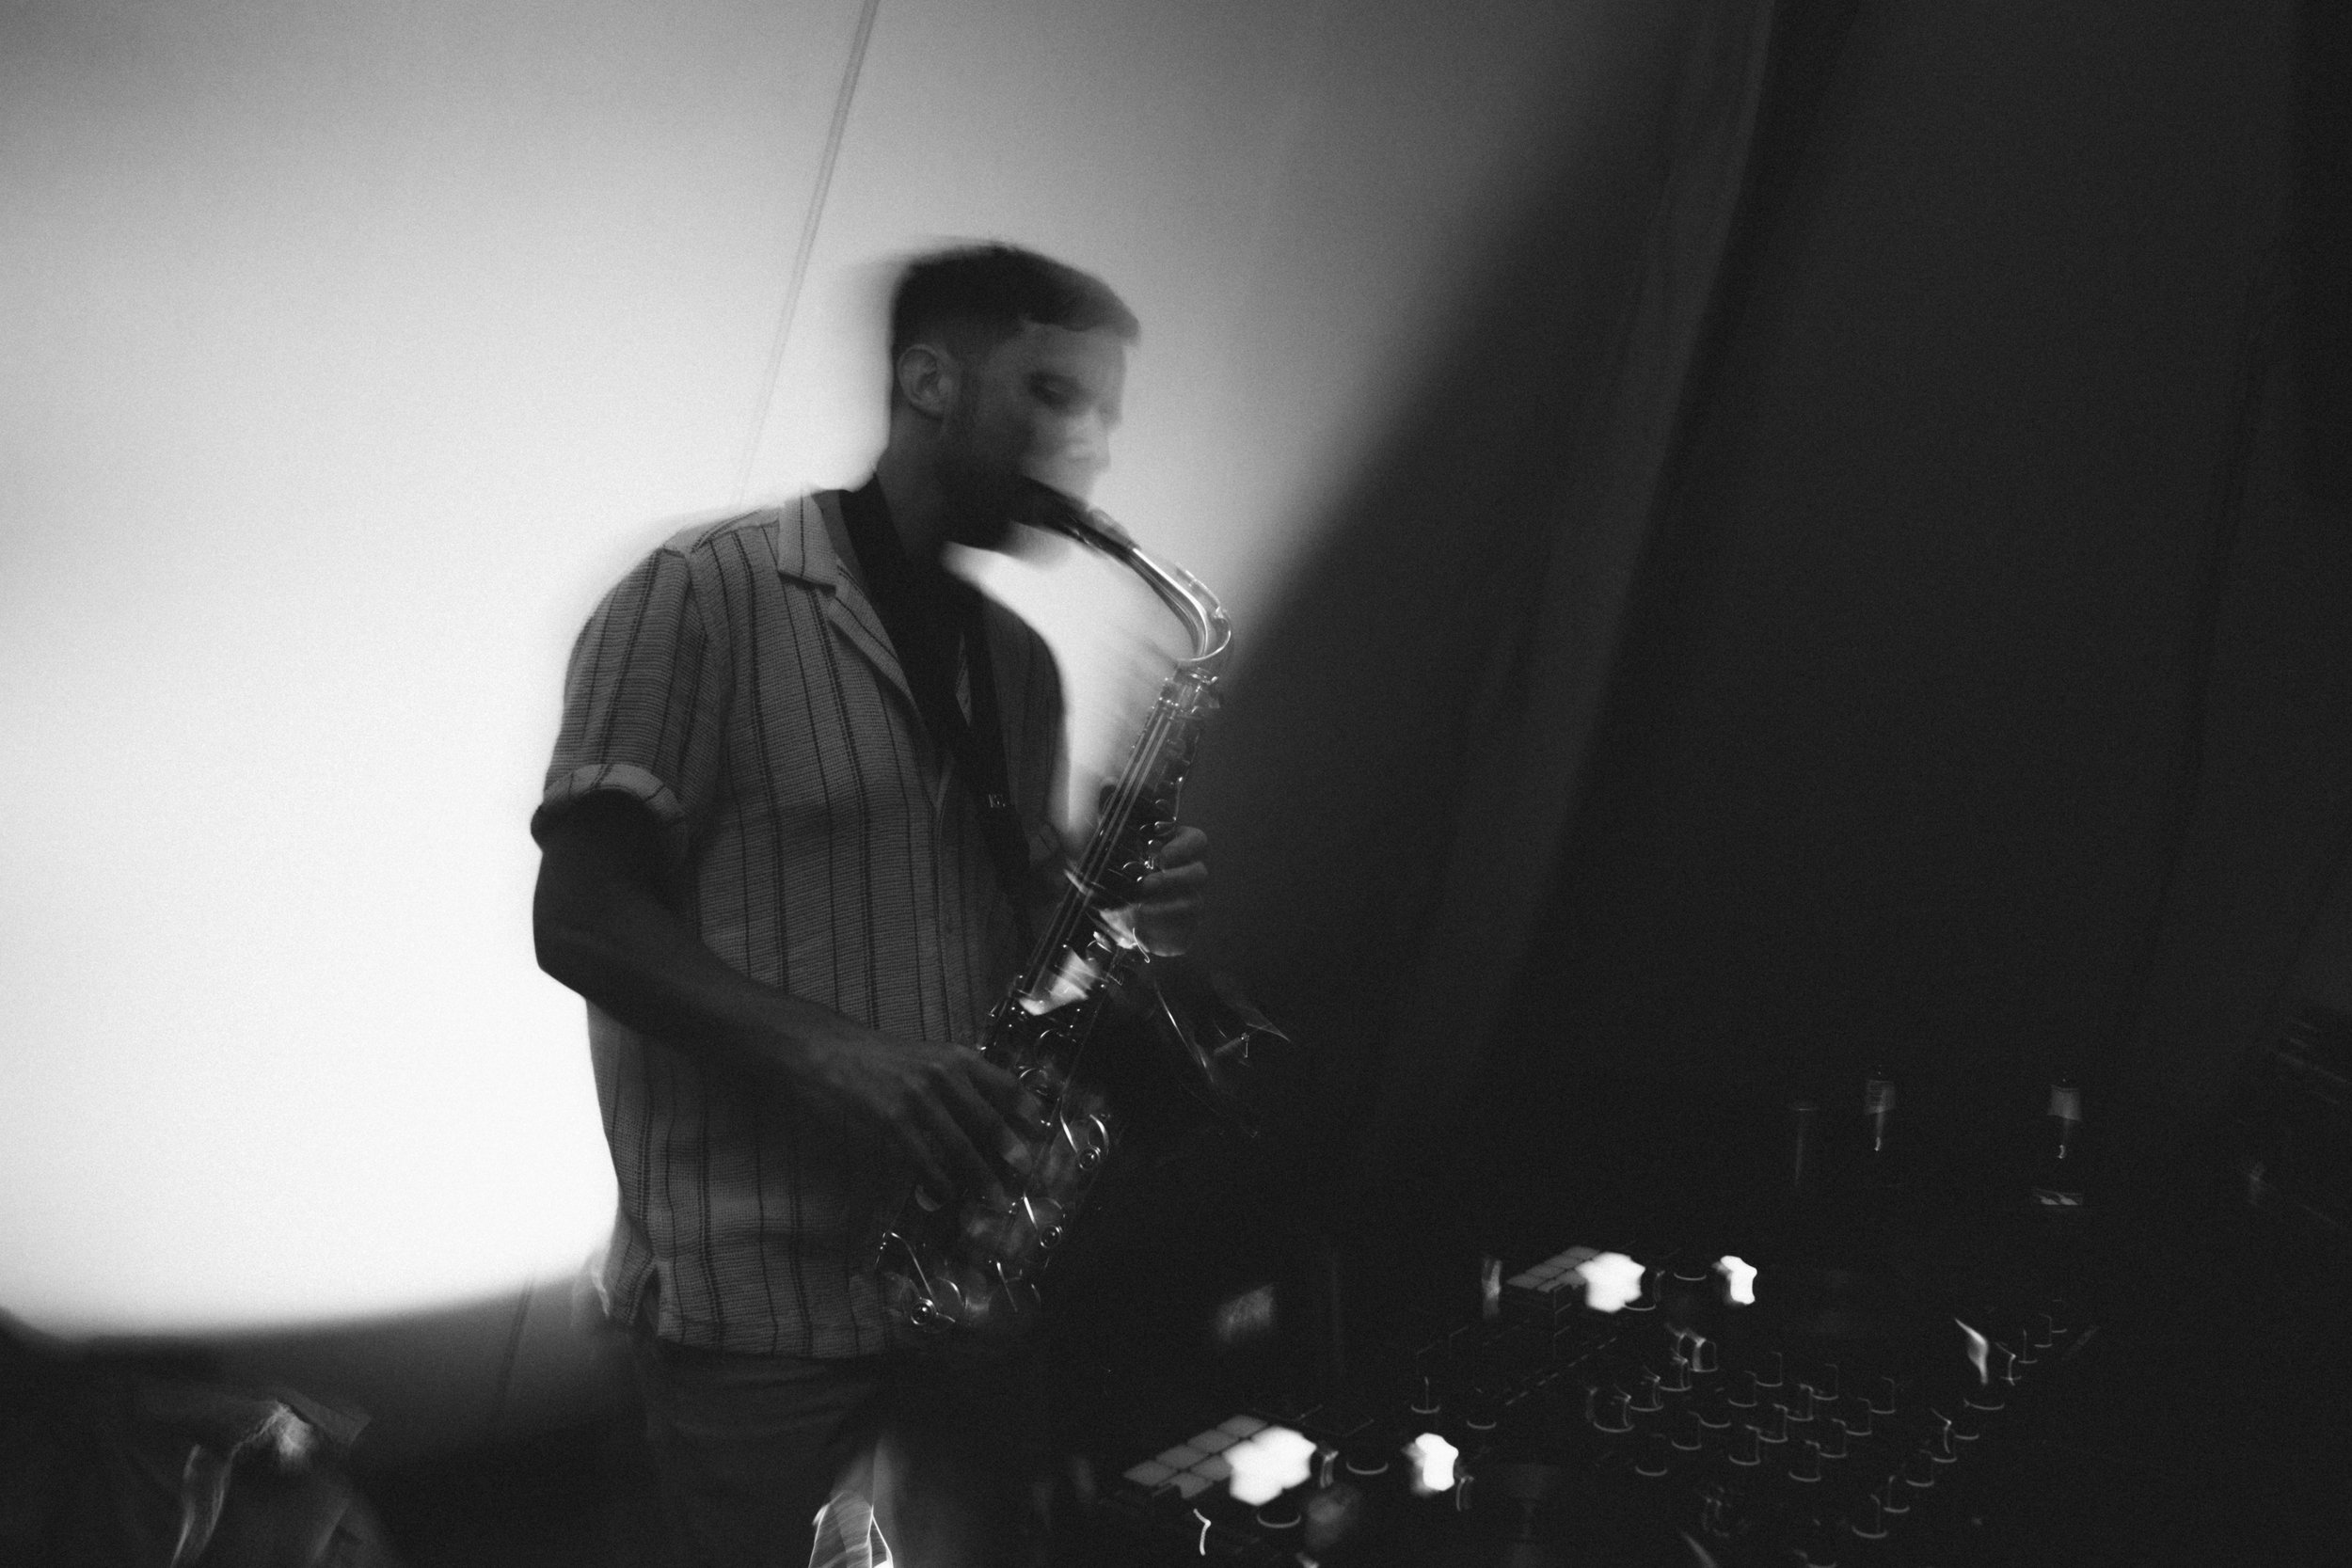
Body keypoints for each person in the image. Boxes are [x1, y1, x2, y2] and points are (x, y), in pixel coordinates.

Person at [530, 244, 1209, 1567]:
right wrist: (849, 1062)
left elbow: (1000, 947)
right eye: (1054, 394)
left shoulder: (1018, 666)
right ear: (930, 380)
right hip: (753, 1309)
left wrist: (1104, 924)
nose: (1086, 447)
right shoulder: (702, 596)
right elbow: (583, 920)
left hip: (969, 1292)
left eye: (1102, 415)